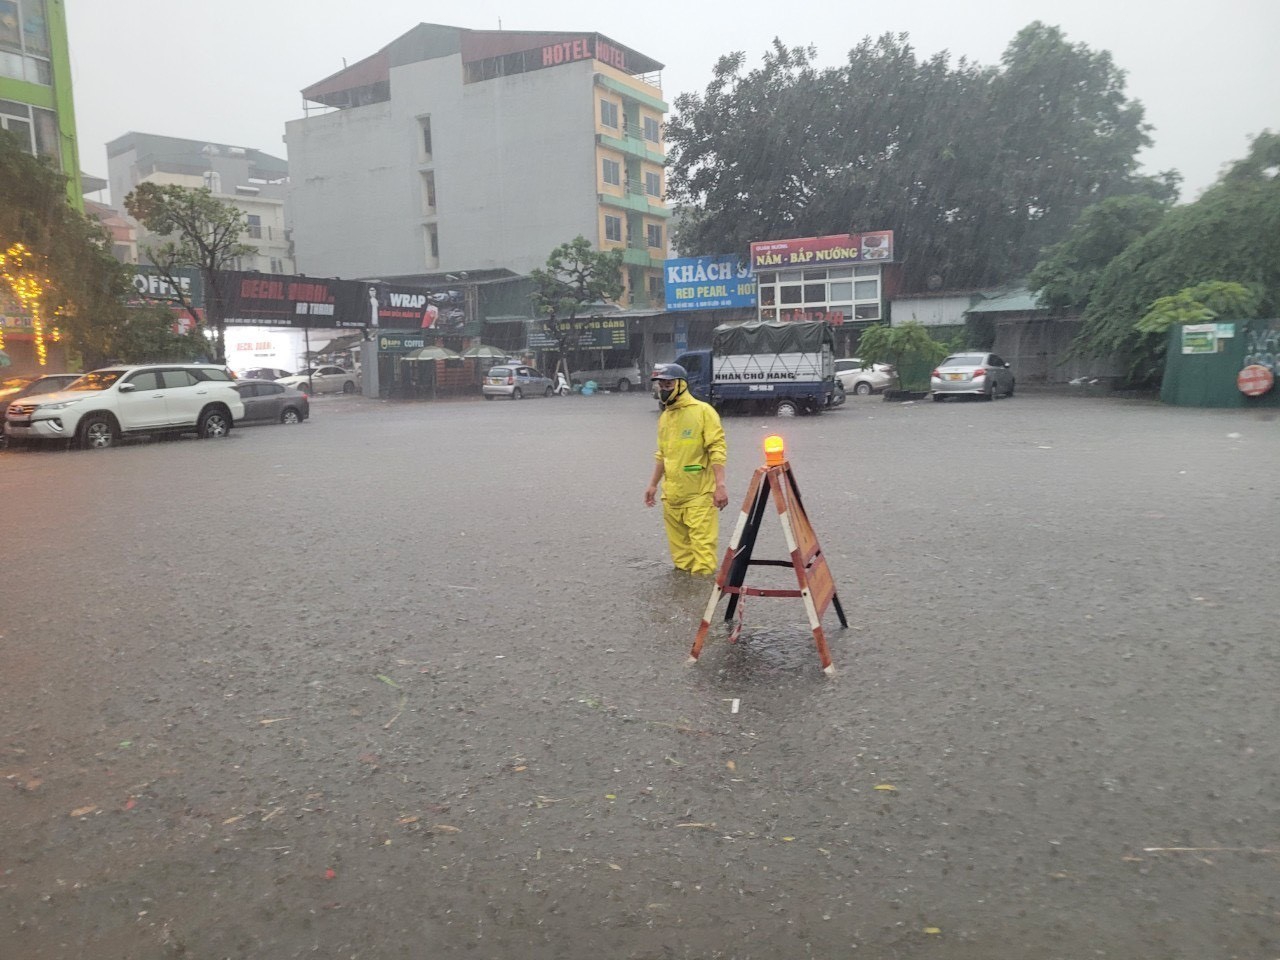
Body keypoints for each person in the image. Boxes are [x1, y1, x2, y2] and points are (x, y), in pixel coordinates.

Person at [644, 363, 729, 576]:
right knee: (681, 560)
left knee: (703, 559)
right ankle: (685, 601)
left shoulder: (703, 412)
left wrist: (720, 485)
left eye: (669, 384)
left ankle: (703, 602)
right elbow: (662, 454)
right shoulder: (665, 417)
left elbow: (717, 449)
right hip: (671, 497)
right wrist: (653, 484)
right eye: (661, 385)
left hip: (699, 495)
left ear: (681, 385)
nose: (664, 389)